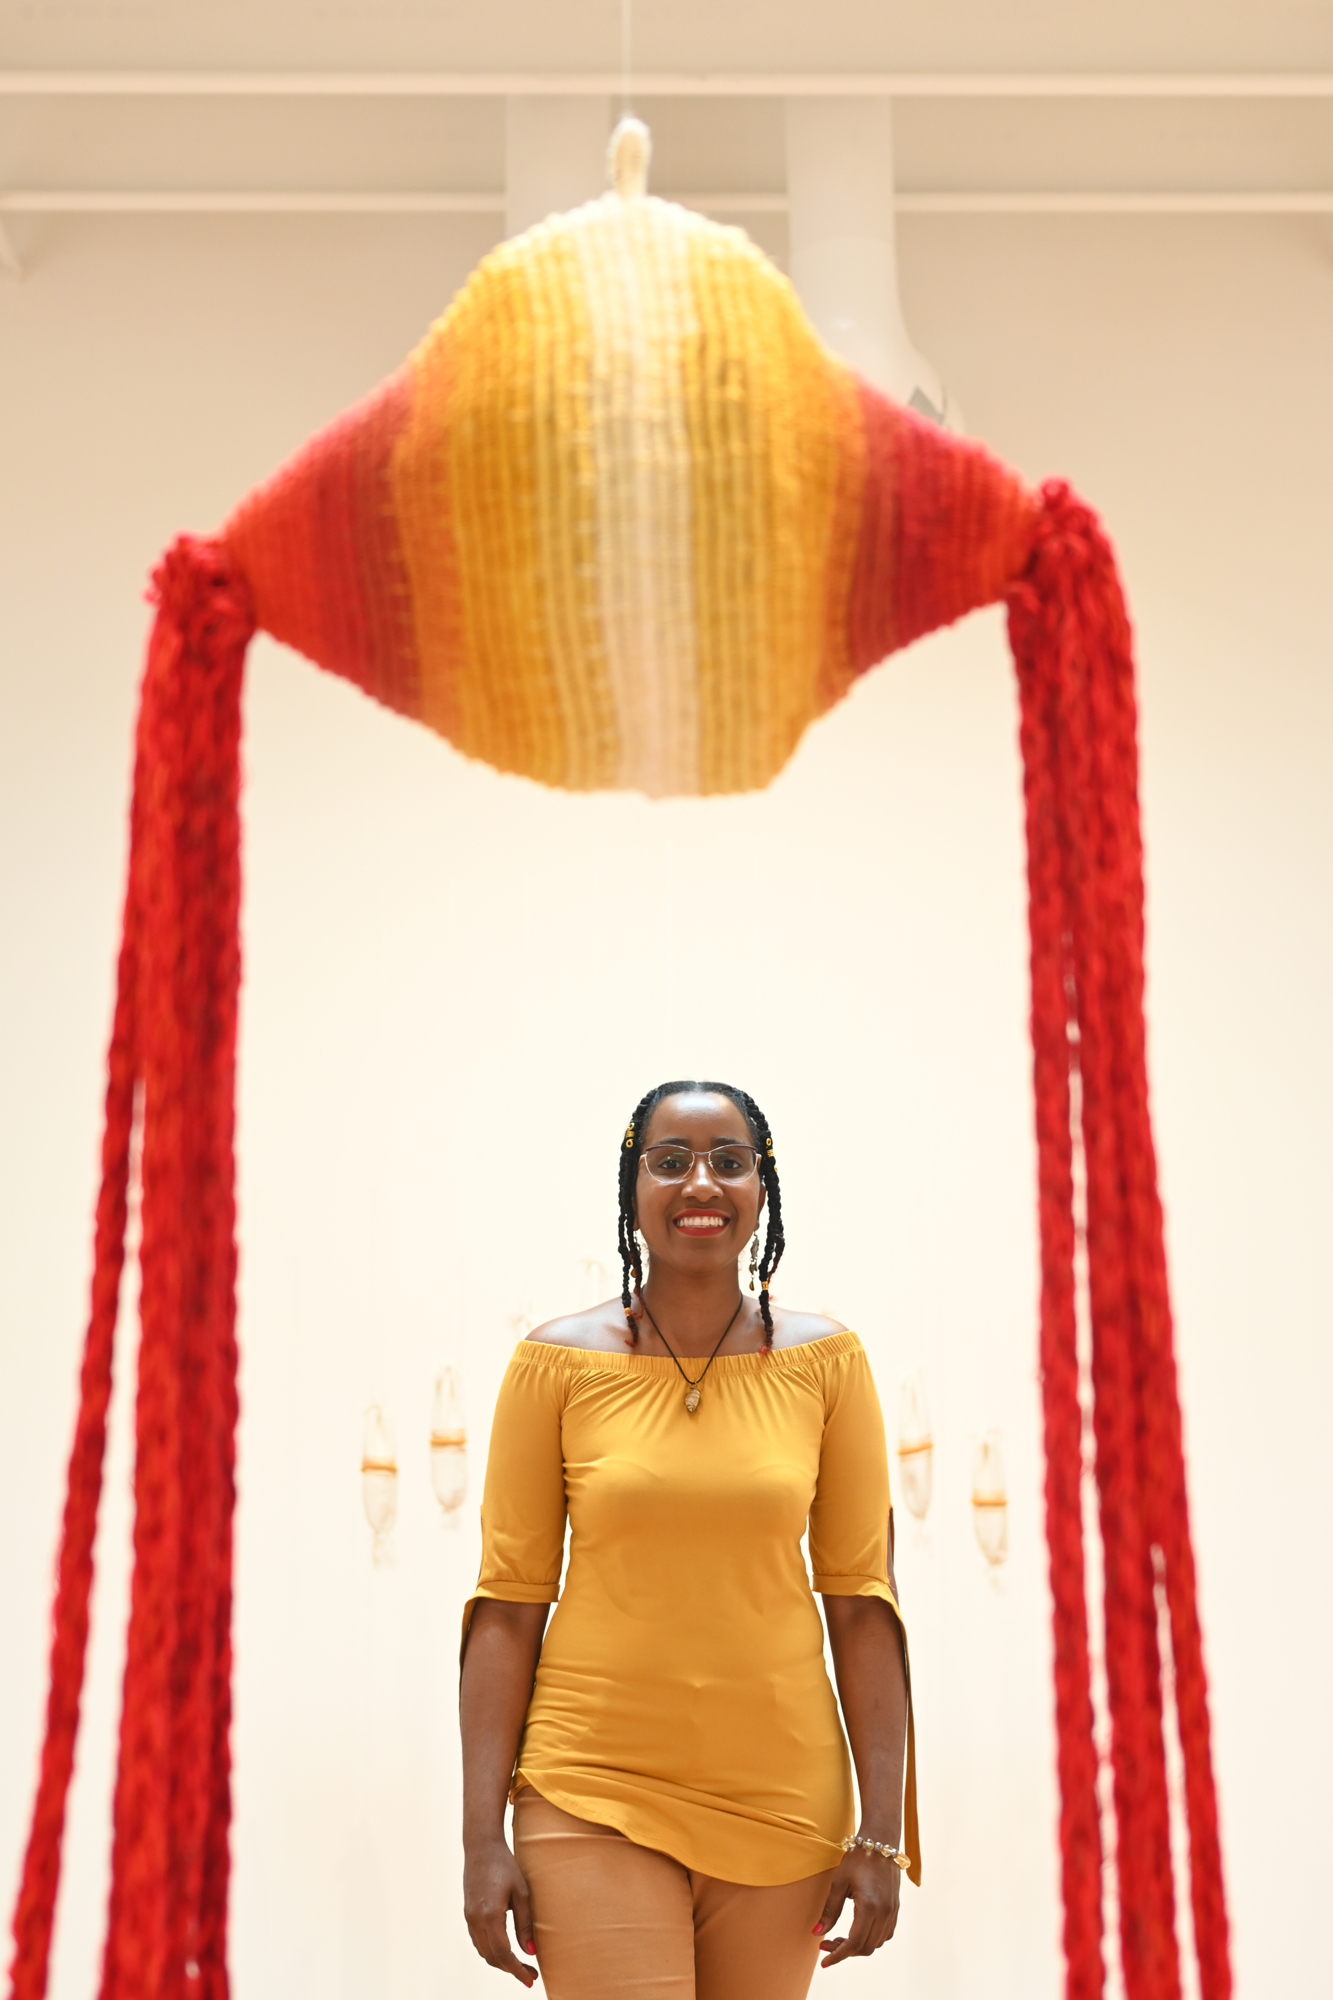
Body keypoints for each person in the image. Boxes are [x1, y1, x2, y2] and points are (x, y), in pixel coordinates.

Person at [459, 1080, 917, 2000]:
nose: (699, 1184)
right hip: (590, 1786)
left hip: (783, 1798)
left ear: (761, 1189)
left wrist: (879, 1833)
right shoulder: (555, 1364)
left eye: (727, 1162)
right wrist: (479, 1837)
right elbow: (507, 1608)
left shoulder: (827, 1364)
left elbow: (862, 1604)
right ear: (632, 1189)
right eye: (668, 1163)